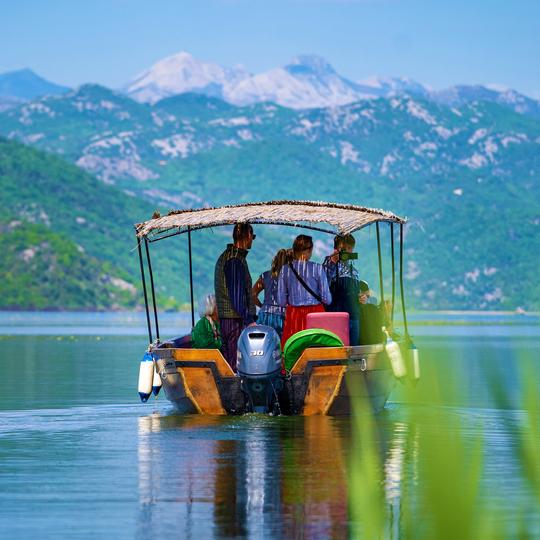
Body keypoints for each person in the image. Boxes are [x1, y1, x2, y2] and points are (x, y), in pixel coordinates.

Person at [214, 223, 257, 370]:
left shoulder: (231, 256)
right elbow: (237, 296)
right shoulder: (234, 260)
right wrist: (249, 320)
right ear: (248, 236)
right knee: (236, 363)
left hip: (229, 319)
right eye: (253, 237)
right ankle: (235, 391)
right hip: (234, 320)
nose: (253, 241)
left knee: (231, 361)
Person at [277, 235, 332, 349]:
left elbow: (281, 301)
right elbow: (327, 299)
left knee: (294, 349)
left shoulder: (285, 270)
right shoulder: (317, 268)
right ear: (309, 250)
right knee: (316, 349)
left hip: (294, 315)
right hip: (315, 314)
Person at [323, 234, 361, 345]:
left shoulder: (354, 270)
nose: (349, 251)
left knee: (353, 350)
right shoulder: (328, 265)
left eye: (350, 248)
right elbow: (323, 284)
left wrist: (362, 297)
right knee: (337, 349)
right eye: (345, 248)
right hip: (336, 316)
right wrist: (332, 261)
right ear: (337, 249)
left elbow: (356, 293)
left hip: (354, 316)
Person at [252, 248, 292, 338]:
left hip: (265, 315)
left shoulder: (265, 275)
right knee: (281, 347)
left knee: (264, 344)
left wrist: (262, 306)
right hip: (282, 316)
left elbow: (253, 295)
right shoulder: (291, 278)